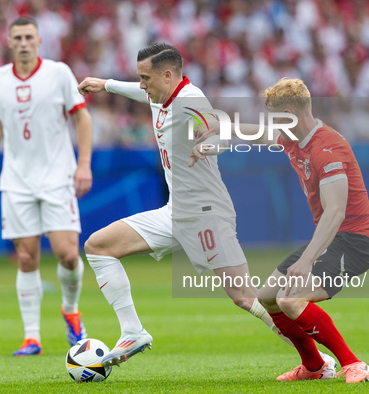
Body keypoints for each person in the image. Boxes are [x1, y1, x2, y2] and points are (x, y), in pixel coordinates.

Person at [77, 43, 334, 369]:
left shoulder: (191, 100)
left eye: (146, 78)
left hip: (206, 213)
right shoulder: (160, 95)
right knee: (98, 246)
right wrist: (106, 84)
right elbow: (141, 94)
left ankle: (319, 360)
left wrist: (207, 145)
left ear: (167, 75)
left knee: (245, 297)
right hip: (175, 212)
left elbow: (219, 134)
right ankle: (133, 331)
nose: (142, 85)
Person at [190, 78, 369, 383]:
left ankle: (353, 363)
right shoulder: (293, 134)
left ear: (290, 113)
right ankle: (314, 367)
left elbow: (335, 211)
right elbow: (260, 134)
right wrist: (221, 127)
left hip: (354, 242)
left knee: (290, 299)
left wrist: (305, 261)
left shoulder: (328, 148)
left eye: (275, 115)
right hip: (330, 240)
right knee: (268, 297)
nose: (271, 122)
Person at [0, 17, 94, 356]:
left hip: (58, 177)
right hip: (16, 181)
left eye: (29, 37)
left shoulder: (58, 73)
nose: (24, 42)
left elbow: (81, 117)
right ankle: (32, 337)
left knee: (69, 255)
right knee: (26, 256)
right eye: (18, 38)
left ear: (39, 40)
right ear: (9, 42)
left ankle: (71, 311)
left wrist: (83, 164)